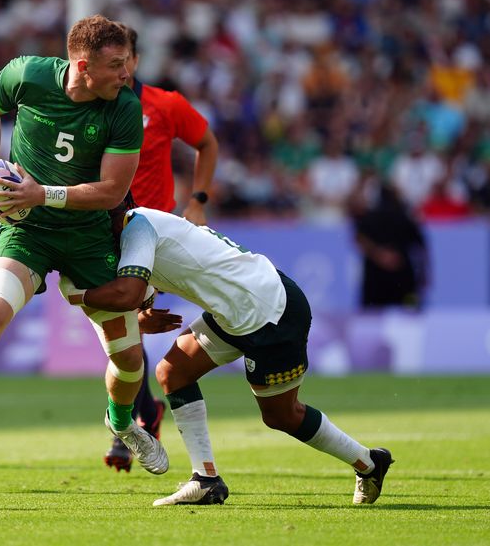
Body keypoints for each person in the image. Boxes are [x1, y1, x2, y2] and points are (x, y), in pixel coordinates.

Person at [0, 14, 170, 477]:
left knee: (128, 360)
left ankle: (123, 421)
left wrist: (40, 193)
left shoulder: (124, 108)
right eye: (116, 65)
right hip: (27, 231)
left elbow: (110, 191)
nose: (127, 74)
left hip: (90, 237)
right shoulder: (27, 74)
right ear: (82, 66)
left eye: (127, 62)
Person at [59, 205, 394, 506]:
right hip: (234, 311)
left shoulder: (137, 227)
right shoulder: (138, 226)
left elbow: (128, 290)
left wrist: (77, 296)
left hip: (268, 312)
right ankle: (205, 479)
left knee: (281, 415)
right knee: (172, 373)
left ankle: (368, 462)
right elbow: (155, 276)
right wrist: (142, 305)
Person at [103, 22, 220, 472]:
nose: (121, 66)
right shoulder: (95, 109)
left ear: (135, 60)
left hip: (155, 234)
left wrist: (199, 200)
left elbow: (206, 142)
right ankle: (143, 413)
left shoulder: (164, 105)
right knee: (121, 329)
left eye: (126, 57)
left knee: (122, 327)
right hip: (106, 232)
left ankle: (134, 418)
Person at [353, 183, 429, 308]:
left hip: (375, 277)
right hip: (402, 275)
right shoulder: (406, 217)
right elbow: (421, 247)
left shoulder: (369, 217)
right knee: (409, 315)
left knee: (370, 317)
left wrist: (379, 255)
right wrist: (424, 274)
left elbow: (359, 239)